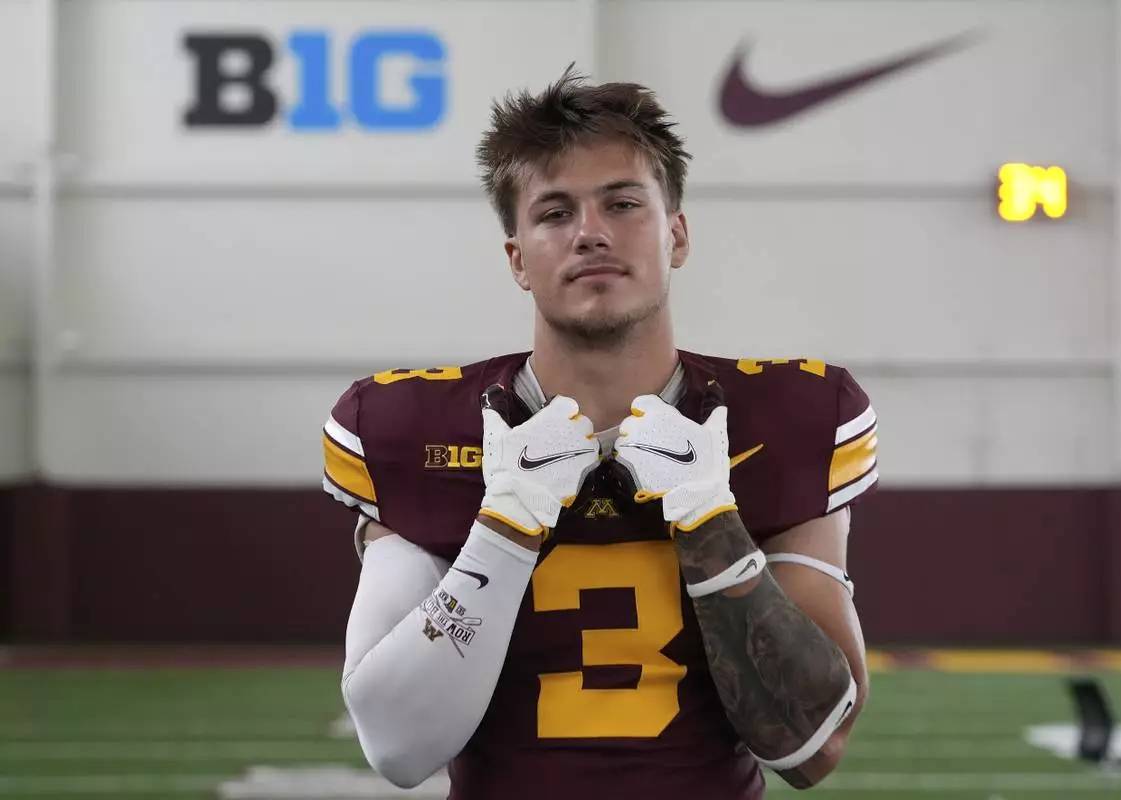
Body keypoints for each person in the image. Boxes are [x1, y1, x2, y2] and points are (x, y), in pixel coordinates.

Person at [321, 68, 879, 800]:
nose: (591, 232)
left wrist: (712, 524)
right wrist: (503, 531)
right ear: (518, 259)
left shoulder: (784, 418)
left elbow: (810, 747)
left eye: (622, 203)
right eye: (555, 212)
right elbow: (398, 748)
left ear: (676, 234)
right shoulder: (414, 428)